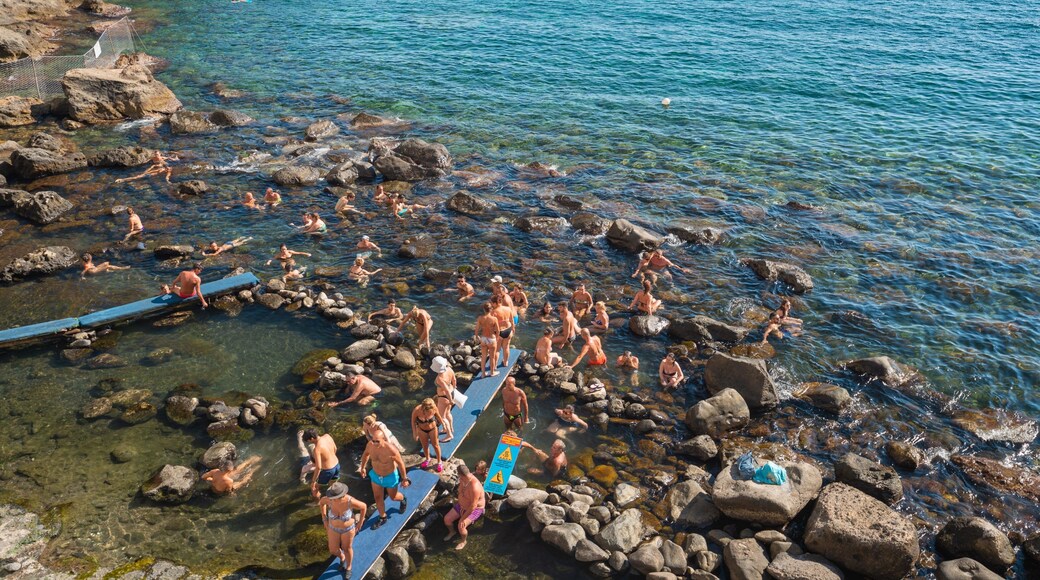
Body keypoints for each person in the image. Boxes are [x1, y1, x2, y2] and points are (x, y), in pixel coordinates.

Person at [358, 429, 410, 530]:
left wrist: (405, 479)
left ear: (383, 439)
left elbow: (400, 464)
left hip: (390, 476)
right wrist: (363, 467)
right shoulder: (370, 445)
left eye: (377, 441)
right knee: (378, 497)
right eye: (373, 440)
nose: (374, 443)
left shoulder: (391, 450)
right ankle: (383, 517)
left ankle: (403, 499)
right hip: (376, 475)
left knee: (393, 497)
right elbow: (365, 455)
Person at [319, 482, 366, 579]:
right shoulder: (329, 500)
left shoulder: (350, 501)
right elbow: (321, 503)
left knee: (347, 548)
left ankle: (349, 567)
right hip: (333, 528)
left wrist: (360, 523)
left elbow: (363, 507)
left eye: (335, 497)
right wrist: (324, 519)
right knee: (333, 550)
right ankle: (342, 557)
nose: (332, 499)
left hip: (347, 530)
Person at [443, 463, 485, 551]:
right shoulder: (463, 479)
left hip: (475, 509)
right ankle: (452, 532)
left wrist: (462, 519)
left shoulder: (474, 487)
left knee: (461, 526)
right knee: (447, 519)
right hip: (461, 505)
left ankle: (463, 541)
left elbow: (473, 506)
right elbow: (460, 491)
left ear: (461, 474)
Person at [411, 398, 445, 472]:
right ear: (423, 408)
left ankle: (439, 462)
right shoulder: (417, 410)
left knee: (436, 445)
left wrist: (443, 425)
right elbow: (413, 422)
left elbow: (438, 416)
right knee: (425, 445)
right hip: (421, 430)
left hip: (432, 429)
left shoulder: (434, 408)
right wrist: (414, 433)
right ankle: (427, 459)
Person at [305, 428, 340, 499]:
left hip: (328, 471)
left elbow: (318, 467)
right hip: (337, 465)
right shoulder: (327, 436)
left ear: (312, 438)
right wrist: (328, 458)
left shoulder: (317, 449)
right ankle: (336, 497)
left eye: (308, 441)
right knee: (333, 484)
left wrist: (313, 481)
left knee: (315, 488)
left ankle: (318, 502)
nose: (309, 442)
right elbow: (335, 448)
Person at [431, 356, 457, 442]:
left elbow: (446, 390)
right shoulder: (449, 369)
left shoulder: (440, 378)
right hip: (452, 392)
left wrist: (451, 400)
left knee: (442, 417)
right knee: (448, 413)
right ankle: (450, 428)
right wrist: (454, 388)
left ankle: (449, 435)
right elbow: (454, 379)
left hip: (444, 397)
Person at [474, 303, 500, 378]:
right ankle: (492, 372)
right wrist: (497, 338)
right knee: (492, 357)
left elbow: (476, 329)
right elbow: (498, 331)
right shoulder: (494, 319)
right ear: (491, 309)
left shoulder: (480, 318)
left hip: (484, 338)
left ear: (484, 309)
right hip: (491, 339)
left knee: (483, 357)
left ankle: (483, 374)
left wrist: (476, 336)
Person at [491, 294, 514, 369]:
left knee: (497, 350)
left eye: (492, 303)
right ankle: (505, 362)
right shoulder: (508, 309)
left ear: (495, 303)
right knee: (506, 347)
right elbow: (512, 320)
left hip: (499, 332)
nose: (491, 304)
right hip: (508, 330)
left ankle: (494, 366)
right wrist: (513, 329)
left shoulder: (494, 312)